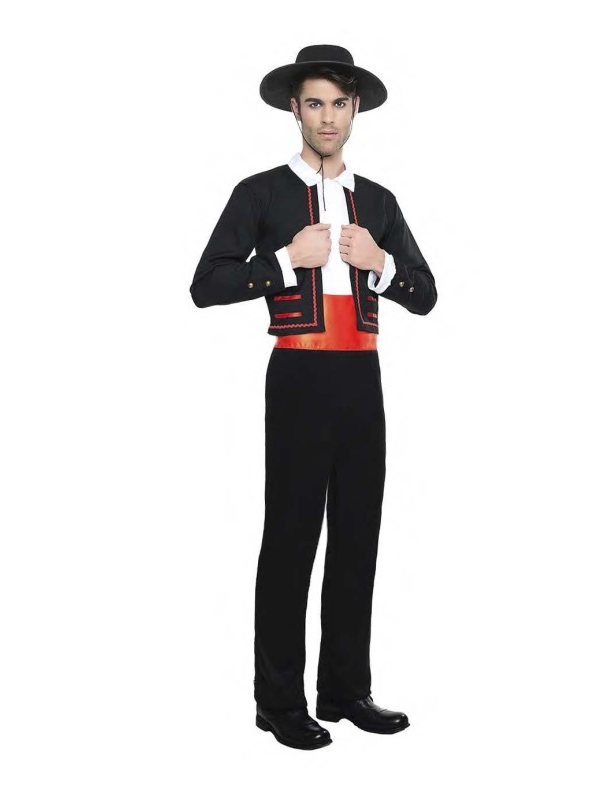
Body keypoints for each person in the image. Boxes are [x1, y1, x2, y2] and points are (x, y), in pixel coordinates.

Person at [190, 44, 437, 750]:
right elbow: (206, 284)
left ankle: (345, 690)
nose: (328, 117)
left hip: (363, 378)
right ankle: (278, 701)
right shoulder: (260, 193)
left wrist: (381, 264)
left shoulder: (380, 202)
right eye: (315, 103)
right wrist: (281, 261)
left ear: (355, 110)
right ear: (295, 110)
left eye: (339, 103)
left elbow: (426, 294)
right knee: (292, 538)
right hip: (298, 375)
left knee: (358, 535)